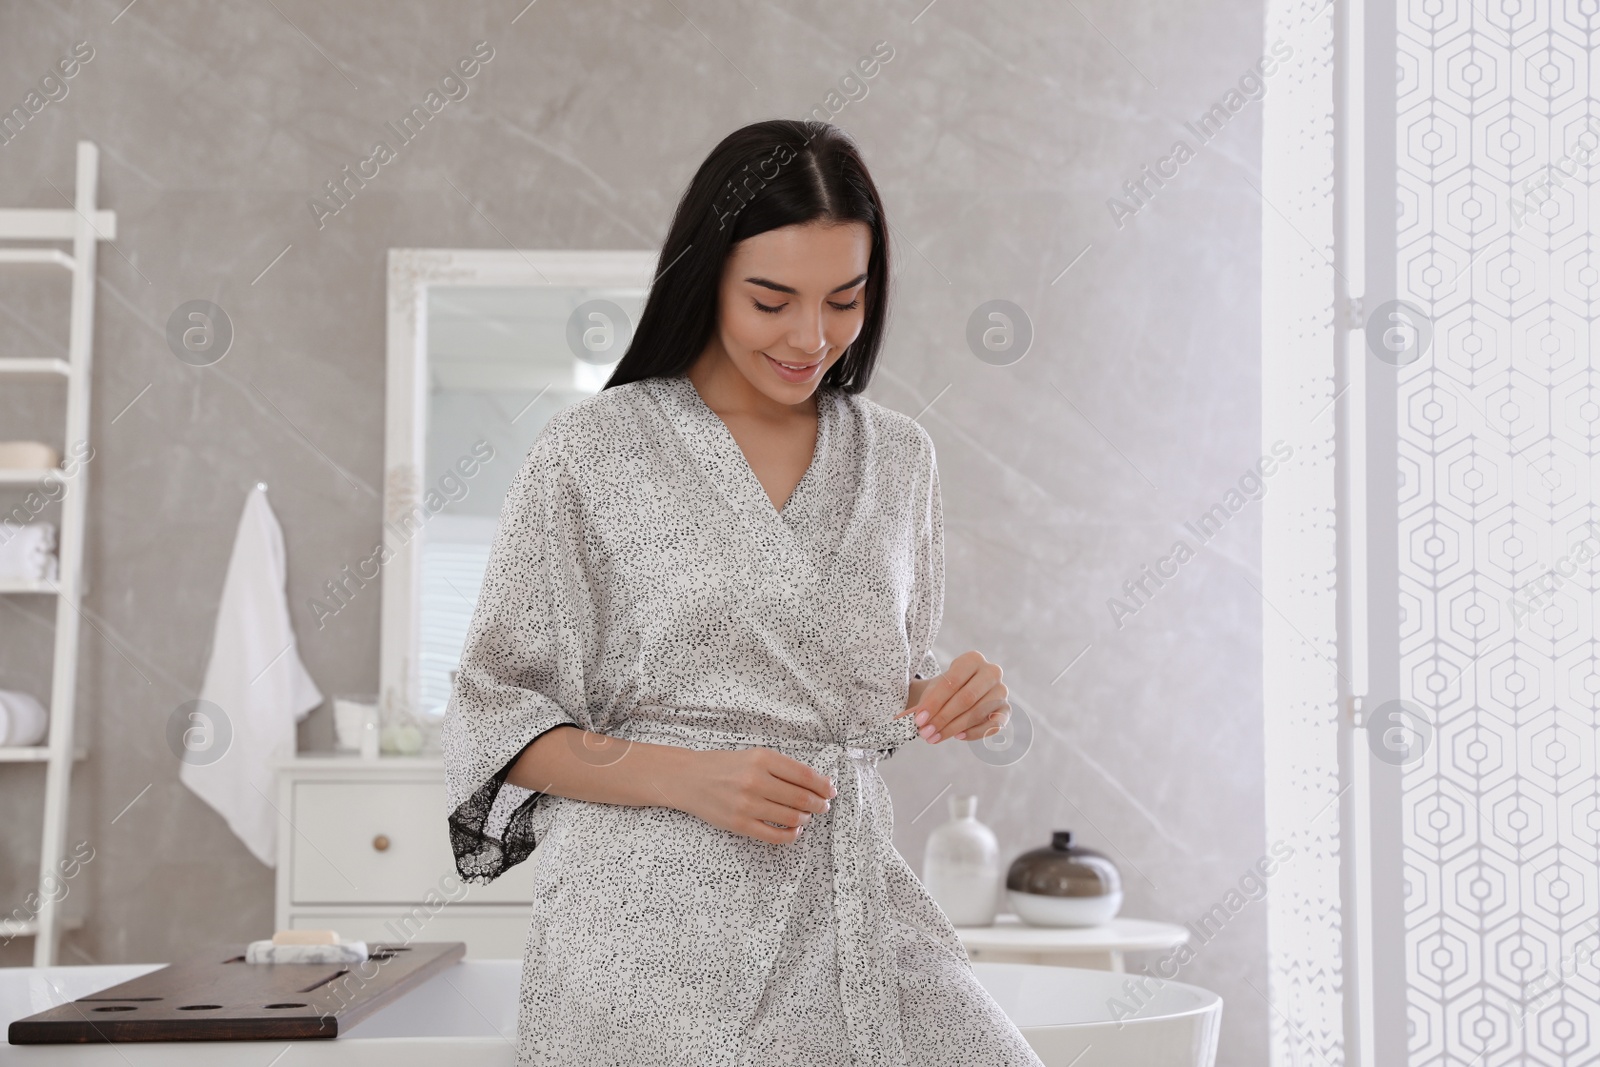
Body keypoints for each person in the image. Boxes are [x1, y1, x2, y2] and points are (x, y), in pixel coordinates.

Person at [441, 118, 1045, 1066]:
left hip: (849, 897)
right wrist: (690, 776)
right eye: (772, 300)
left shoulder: (898, 458)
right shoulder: (595, 453)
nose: (813, 338)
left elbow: (871, 682)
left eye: (845, 300)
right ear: (708, 274)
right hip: (646, 919)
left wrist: (942, 700)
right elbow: (496, 717)